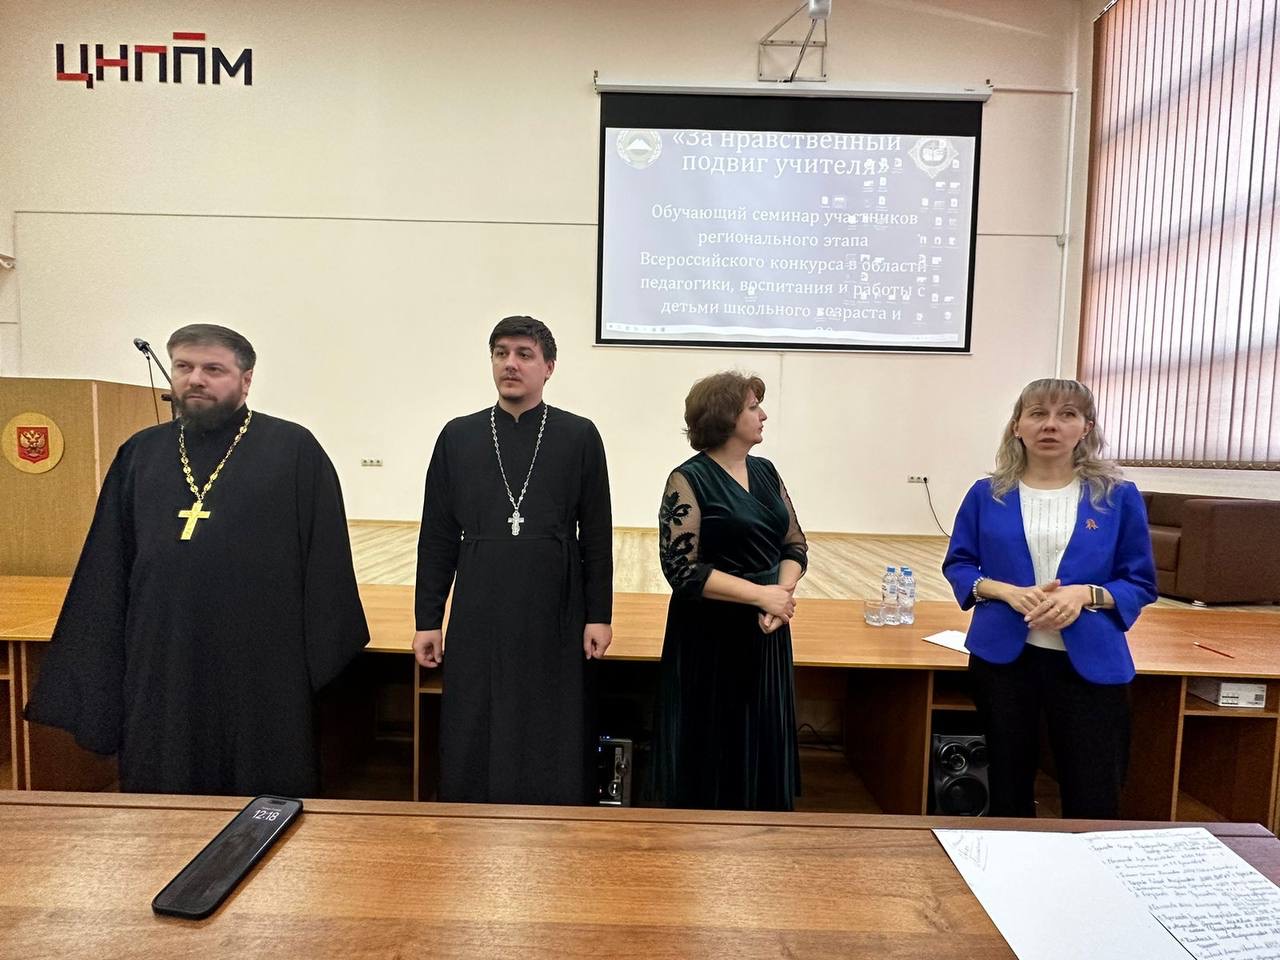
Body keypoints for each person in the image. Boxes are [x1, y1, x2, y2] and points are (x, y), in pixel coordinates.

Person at [26, 324, 369, 796]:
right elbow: (107, 564)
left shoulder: (294, 450)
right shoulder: (141, 453)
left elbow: (326, 560)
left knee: (263, 784)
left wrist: (313, 662)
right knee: (164, 775)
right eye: (184, 367)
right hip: (162, 651)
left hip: (263, 658)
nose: (195, 379)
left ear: (246, 380)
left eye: (213, 369)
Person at [413, 316, 613, 805]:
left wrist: (599, 614)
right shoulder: (458, 436)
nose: (510, 364)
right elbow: (437, 535)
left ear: (549, 367)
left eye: (524, 354)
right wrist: (428, 620)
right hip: (480, 597)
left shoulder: (579, 435)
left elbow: (596, 534)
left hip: (555, 600)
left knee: (551, 710)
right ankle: (472, 809)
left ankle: (553, 808)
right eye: (501, 353)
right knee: (477, 707)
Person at [942, 378, 1157, 819]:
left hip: (1090, 662)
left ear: (1086, 428)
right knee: (1006, 786)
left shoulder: (1117, 497)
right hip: (1003, 660)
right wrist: (1005, 591)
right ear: (1017, 426)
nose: (1051, 425)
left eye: (1067, 415)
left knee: (1093, 790)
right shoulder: (986, 495)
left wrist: (1085, 594)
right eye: (1038, 413)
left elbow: (1139, 582)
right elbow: (960, 565)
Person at [653, 372, 807, 811]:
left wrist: (780, 594)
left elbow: (794, 544)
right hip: (710, 636)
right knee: (712, 752)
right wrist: (761, 596)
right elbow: (682, 569)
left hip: (766, 627)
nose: (763, 415)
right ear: (726, 417)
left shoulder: (766, 471)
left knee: (762, 745)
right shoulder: (688, 479)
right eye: (753, 407)